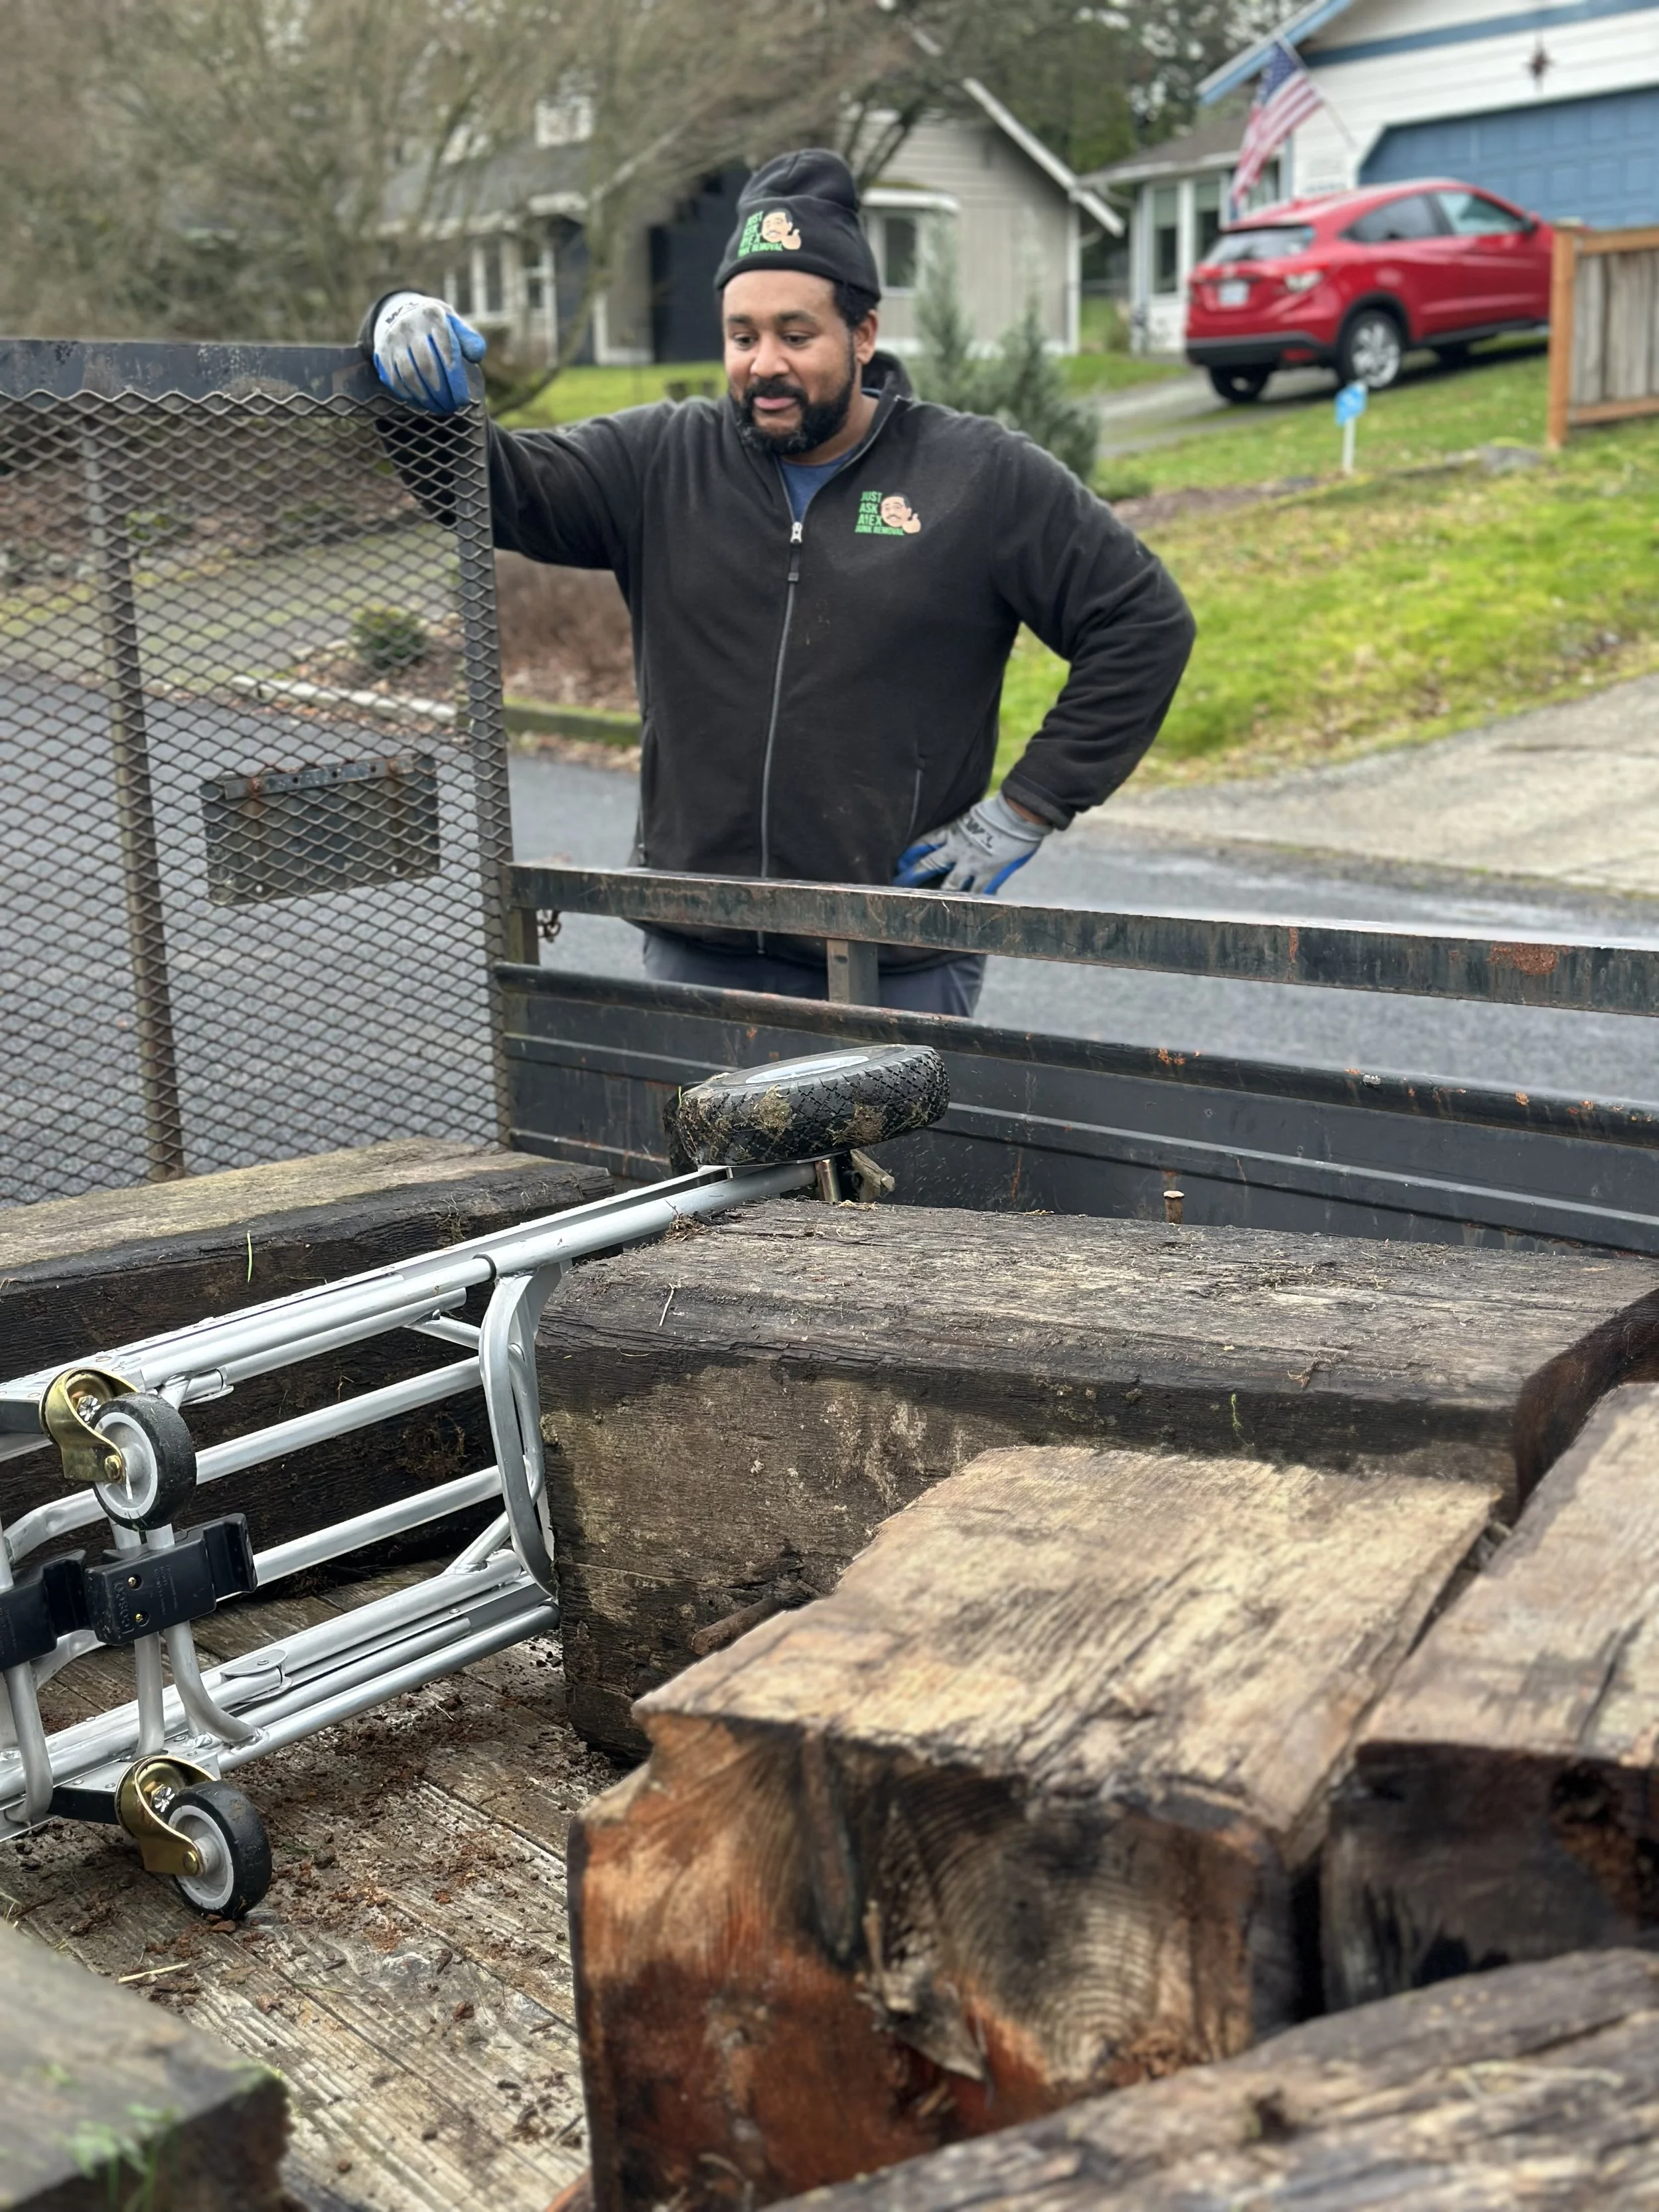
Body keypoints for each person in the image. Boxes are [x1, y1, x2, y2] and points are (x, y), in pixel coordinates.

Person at [365, 149, 1195, 1017]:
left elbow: (1142, 623)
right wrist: (407, 368)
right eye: (742, 336)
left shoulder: (975, 476)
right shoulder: (661, 462)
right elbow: (496, 490)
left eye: (796, 336)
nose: (765, 364)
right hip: (699, 942)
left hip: (896, 953)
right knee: (722, 1157)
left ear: (863, 336)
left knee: (892, 1158)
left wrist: (1025, 810)